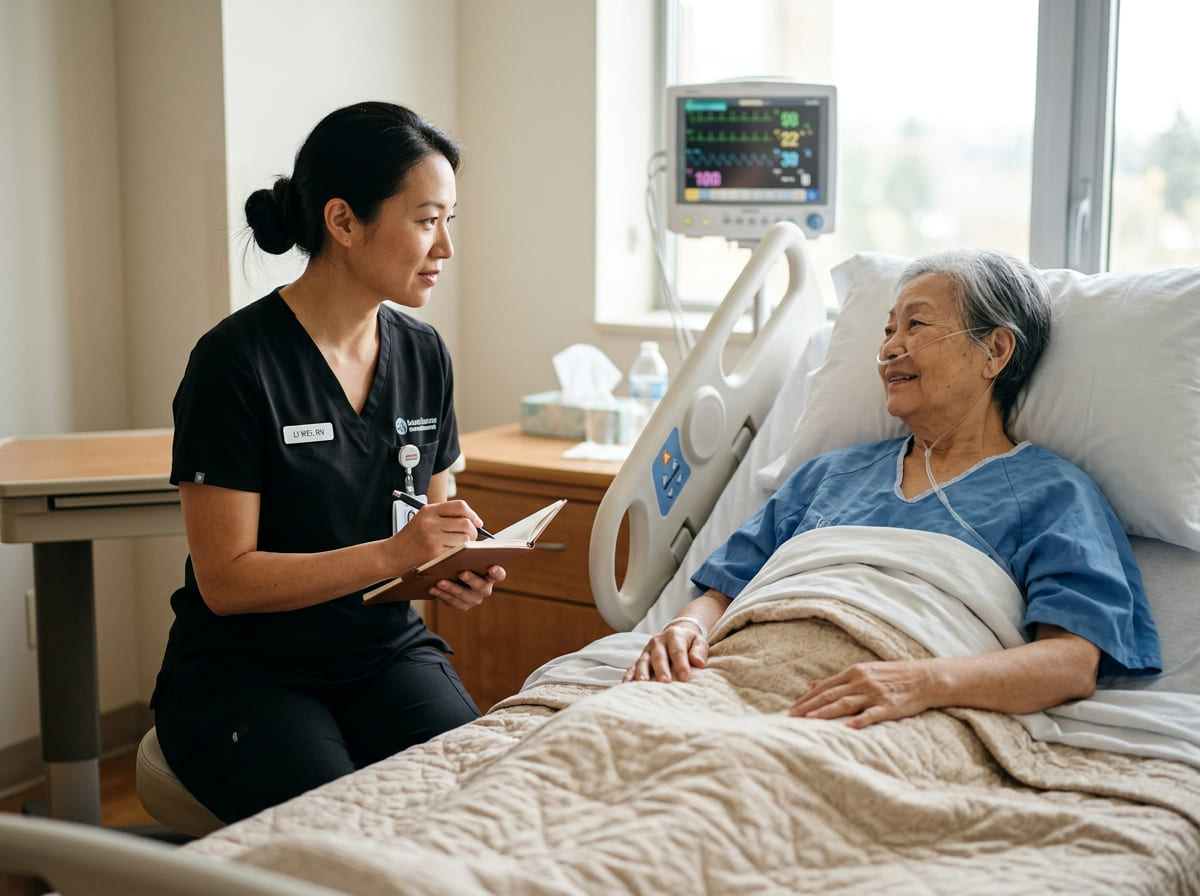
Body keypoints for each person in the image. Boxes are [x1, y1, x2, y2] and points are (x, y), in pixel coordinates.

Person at [625, 250, 1161, 727]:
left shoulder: (1055, 493)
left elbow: (1070, 663)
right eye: (887, 331)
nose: (889, 350)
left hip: (891, 711)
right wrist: (684, 629)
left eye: (916, 325)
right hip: (728, 678)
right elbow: (721, 593)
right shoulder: (828, 475)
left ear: (995, 351)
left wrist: (920, 682)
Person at [151, 101, 503, 823]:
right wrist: (395, 554)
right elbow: (226, 582)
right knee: (345, 833)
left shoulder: (424, 354)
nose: (446, 247)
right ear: (343, 221)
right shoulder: (235, 363)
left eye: (450, 220)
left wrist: (455, 563)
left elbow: (434, 522)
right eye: (426, 220)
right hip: (249, 674)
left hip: (384, 652)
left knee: (482, 802)